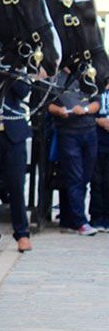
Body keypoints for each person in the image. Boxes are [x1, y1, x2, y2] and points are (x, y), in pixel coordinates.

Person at [0, 80, 33, 252]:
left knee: (17, 185)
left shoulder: (18, 66)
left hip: (14, 134)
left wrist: (11, 72)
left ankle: (22, 233)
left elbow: (23, 90)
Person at [48, 69, 101, 236]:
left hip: (89, 130)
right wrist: (59, 111)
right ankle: (80, 221)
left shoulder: (87, 74)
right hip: (69, 132)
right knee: (74, 177)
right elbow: (47, 104)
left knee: (84, 177)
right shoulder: (56, 77)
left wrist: (84, 110)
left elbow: (97, 101)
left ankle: (69, 218)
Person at [91, 84, 109, 232]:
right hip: (96, 138)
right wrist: (98, 121)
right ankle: (97, 217)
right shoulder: (95, 88)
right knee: (96, 181)